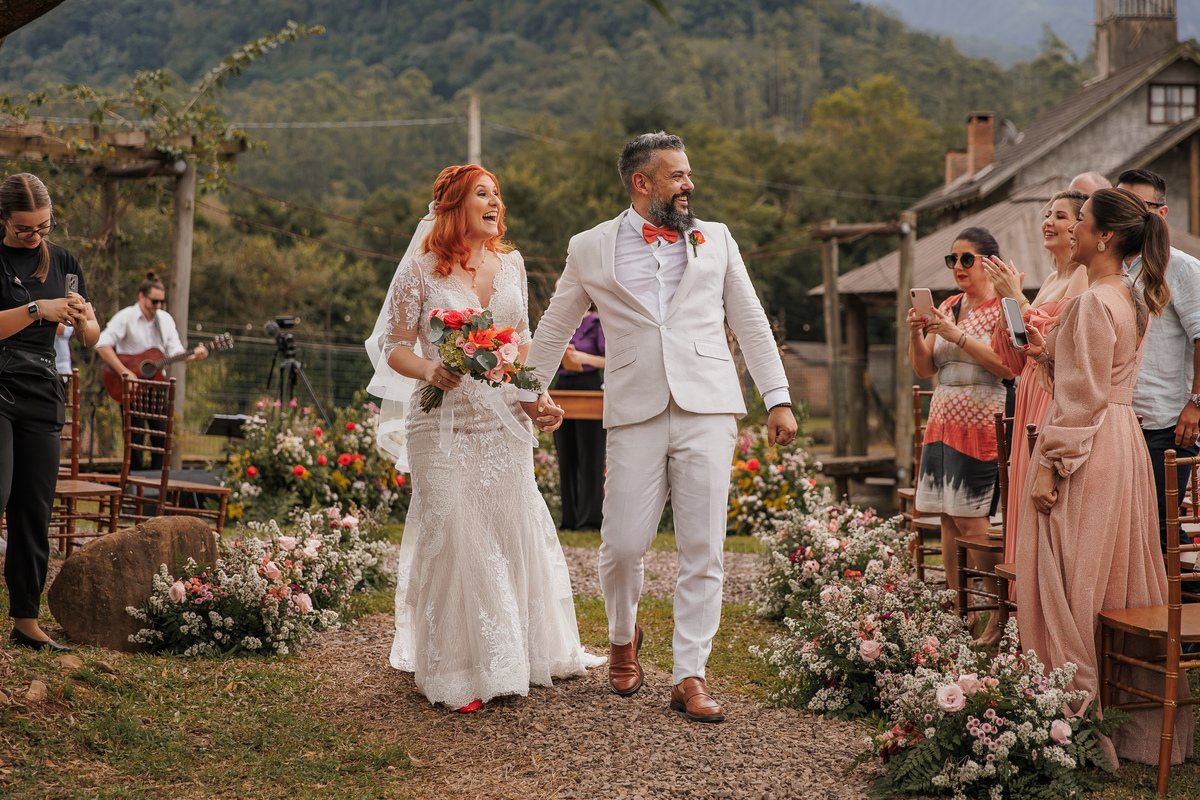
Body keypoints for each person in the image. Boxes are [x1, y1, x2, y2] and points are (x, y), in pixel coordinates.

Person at [520, 132, 797, 723]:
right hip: (634, 407)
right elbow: (554, 327)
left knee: (703, 546)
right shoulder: (589, 246)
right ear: (641, 182)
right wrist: (529, 391)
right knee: (622, 543)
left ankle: (689, 675)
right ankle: (623, 636)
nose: (689, 185)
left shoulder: (716, 238)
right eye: (676, 176)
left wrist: (778, 398)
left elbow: (748, 318)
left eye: (689, 174)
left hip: (708, 405)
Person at [365, 164, 603, 713]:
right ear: (453, 207)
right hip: (442, 425)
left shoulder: (513, 265)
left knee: (503, 533)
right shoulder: (422, 270)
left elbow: (516, 348)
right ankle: (455, 670)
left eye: (497, 195)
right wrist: (429, 370)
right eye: (481, 194)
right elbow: (392, 346)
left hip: (502, 426)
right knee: (455, 535)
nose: (495, 203)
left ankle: (506, 655)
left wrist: (536, 400)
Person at [1017, 188, 1193, 767]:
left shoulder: (1095, 301)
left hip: (1091, 447)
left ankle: (1075, 726)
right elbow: (1096, 378)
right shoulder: (1130, 295)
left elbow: (1082, 399)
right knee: (1110, 576)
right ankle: (1123, 722)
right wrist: (1048, 355)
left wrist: (1051, 465)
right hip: (1122, 441)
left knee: (1071, 581)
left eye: (1081, 223)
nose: (1073, 231)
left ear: (1105, 237)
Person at [0, 173, 99, 651]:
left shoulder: (62, 260)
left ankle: (25, 619)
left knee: (33, 508)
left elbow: (93, 336)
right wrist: (39, 308)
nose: (35, 236)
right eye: (24, 229)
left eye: (43, 226)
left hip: (41, 389)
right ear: (4, 220)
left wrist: (82, 319)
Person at [906, 227, 1015, 645]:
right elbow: (924, 369)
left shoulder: (1003, 308)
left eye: (966, 258)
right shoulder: (948, 305)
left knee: (973, 521)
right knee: (948, 519)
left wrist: (958, 336)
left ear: (988, 261)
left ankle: (993, 611)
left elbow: (1008, 367)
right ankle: (959, 608)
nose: (958, 268)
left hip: (981, 417)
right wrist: (917, 333)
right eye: (952, 260)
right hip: (943, 416)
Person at [984, 190, 1089, 572]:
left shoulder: (1083, 276)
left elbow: (1061, 341)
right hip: (1027, 389)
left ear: (1081, 226)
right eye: (1048, 214)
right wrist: (1006, 304)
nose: (1048, 222)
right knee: (1020, 484)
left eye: (1060, 216)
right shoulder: (1048, 278)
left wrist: (1018, 300)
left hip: (1051, 392)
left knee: (1042, 492)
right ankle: (1017, 603)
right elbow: (1014, 358)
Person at [1116, 169, 1200, 551]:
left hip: (1169, 420)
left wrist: (1195, 404)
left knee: (1159, 526)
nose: (1124, 214)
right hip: (1123, 417)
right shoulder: (1114, 266)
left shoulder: (1182, 267)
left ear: (1161, 213)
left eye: (1136, 206)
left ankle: (1191, 599)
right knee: (1128, 526)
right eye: (1120, 204)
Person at [94, 270, 207, 469]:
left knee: (162, 440)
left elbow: (176, 352)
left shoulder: (165, 320)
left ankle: (156, 491)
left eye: (161, 302)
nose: (158, 306)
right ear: (141, 296)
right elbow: (102, 344)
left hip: (156, 387)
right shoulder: (126, 317)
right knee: (135, 442)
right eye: (154, 301)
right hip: (132, 388)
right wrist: (124, 372)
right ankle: (133, 489)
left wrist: (195, 355)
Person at [554, 309, 606, 532]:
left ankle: (590, 521)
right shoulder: (560, 323)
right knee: (566, 457)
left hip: (589, 387)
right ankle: (570, 520)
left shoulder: (598, 323)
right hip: (563, 388)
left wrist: (583, 358)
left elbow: (614, 358)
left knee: (590, 457)